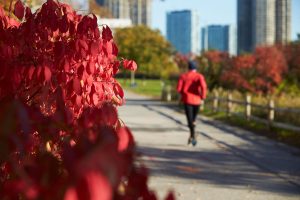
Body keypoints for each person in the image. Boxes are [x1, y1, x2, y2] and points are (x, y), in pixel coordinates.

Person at [176, 60, 207, 146]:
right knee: (193, 119)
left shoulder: (183, 76)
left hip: (187, 100)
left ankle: (192, 135)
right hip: (197, 101)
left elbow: (179, 89)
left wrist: (181, 94)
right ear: (196, 68)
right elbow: (204, 87)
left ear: (188, 67)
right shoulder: (199, 76)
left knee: (189, 119)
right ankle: (192, 135)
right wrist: (203, 97)